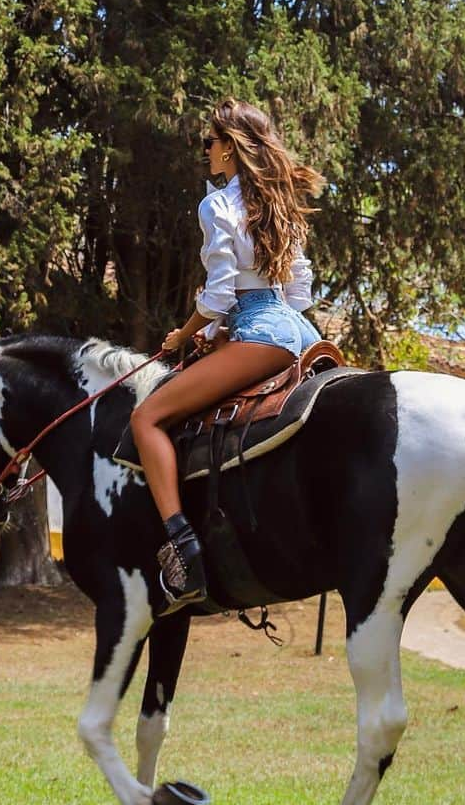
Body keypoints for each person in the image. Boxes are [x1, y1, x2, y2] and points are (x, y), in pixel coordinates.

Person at [130, 98, 324, 616]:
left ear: (229, 150)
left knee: (147, 417)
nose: (206, 151)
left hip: (261, 330)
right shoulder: (281, 205)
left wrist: (183, 335)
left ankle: (182, 549)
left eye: (210, 143)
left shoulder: (216, 206)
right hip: (298, 331)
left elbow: (219, 294)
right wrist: (221, 332)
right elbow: (298, 290)